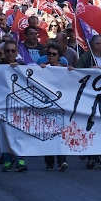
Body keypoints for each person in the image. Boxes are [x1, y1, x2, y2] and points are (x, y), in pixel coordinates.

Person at [0, 40, 28, 173]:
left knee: (19, 134)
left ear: (17, 53)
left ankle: (21, 161)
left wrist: (21, 68)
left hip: (19, 106)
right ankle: (8, 161)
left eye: (13, 51)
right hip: (2, 106)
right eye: (8, 51)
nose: (10, 53)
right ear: (3, 53)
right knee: (5, 134)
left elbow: (35, 78)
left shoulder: (23, 67)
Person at [39, 42, 69, 172]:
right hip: (47, 105)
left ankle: (62, 161)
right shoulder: (43, 68)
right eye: (49, 54)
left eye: (53, 54)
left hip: (61, 106)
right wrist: (38, 70)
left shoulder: (65, 69)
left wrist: (73, 71)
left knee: (61, 133)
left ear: (59, 56)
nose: (50, 56)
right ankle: (49, 162)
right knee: (48, 133)